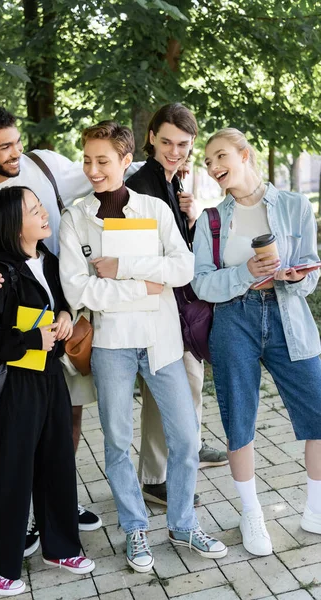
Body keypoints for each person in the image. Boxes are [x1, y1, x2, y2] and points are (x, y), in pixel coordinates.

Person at [59, 120, 228, 573]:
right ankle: (134, 527)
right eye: (88, 160)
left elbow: (183, 268)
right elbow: (79, 292)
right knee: (116, 441)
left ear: (125, 161)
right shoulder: (75, 219)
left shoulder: (154, 208)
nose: (93, 169)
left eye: (103, 161)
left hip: (161, 341)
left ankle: (182, 523)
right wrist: (144, 286)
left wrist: (123, 267)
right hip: (112, 345)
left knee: (186, 438)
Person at [0, 104, 104, 544]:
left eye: (16, 141)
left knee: (66, 415)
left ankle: (56, 499)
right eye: (4, 147)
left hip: (64, 314)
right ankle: (27, 511)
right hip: (16, 332)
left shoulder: (45, 164)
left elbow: (103, 178)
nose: (17, 152)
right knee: (20, 427)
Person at [0, 186, 95, 596]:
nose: (43, 213)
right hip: (13, 385)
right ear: (13, 225)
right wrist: (34, 340)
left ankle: (61, 546)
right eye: (34, 211)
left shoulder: (46, 259)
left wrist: (67, 316)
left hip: (49, 376)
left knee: (56, 460)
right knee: (14, 471)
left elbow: (62, 301)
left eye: (40, 206)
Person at [192, 127, 321, 556]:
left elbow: (311, 272)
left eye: (220, 156)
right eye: (207, 162)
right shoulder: (211, 220)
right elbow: (203, 286)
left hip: (289, 315)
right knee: (239, 422)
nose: (212, 167)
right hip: (235, 319)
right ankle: (252, 515)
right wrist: (249, 270)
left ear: (244, 155)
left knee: (317, 411)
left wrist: (293, 278)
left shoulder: (294, 205)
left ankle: (316, 509)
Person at [127, 103, 228, 507]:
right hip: (156, 304)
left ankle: (187, 451)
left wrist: (189, 220)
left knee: (187, 384)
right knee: (166, 389)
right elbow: (137, 254)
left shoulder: (172, 180)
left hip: (179, 302)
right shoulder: (139, 184)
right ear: (151, 137)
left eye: (183, 144)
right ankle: (155, 477)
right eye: (166, 141)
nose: (174, 150)